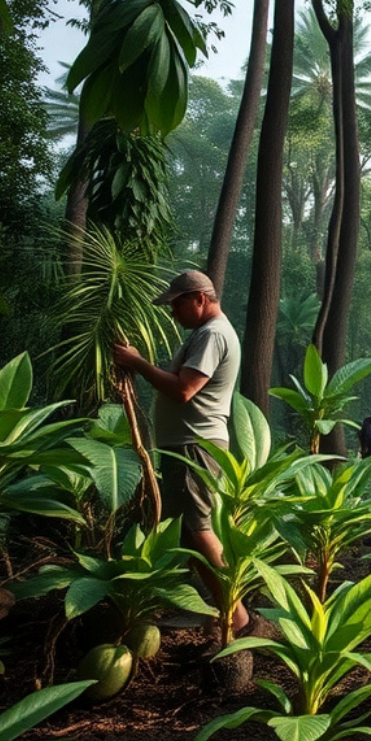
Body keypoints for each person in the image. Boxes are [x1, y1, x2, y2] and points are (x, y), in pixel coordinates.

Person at [111, 270, 251, 637]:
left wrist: (137, 363)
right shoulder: (207, 334)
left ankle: (235, 614)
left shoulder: (213, 335)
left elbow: (184, 390)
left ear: (200, 298)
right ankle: (220, 609)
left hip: (194, 444)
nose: (174, 311)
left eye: (177, 303)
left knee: (197, 529)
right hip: (186, 444)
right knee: (189, 533)